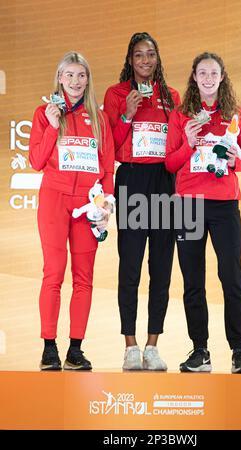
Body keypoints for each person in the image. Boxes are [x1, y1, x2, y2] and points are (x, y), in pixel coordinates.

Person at [165, 52, 241, 374]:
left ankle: (240, 352)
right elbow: (170, 164)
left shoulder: (236, 115)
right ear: (193, 76)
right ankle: (200, 350)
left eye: (213, 73)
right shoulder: (181, 116)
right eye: (201, 72)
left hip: (224, 204)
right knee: (193, 280)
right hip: (188, 204)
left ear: (221, 77)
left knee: (231, 276)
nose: (207, 78)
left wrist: (235, 161)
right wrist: (188, 142)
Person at [29, 51, 115, 371]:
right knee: (53, 272)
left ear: (87, 80)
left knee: (84, 278)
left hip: (86, 206)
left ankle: (75, 349)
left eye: (81, 76)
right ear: (59, 79)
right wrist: (52, 126)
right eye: (69, 75)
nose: (76, 82)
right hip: (54, 200)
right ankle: (49, 346)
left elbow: (107, 169)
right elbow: (36, 161)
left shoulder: (100, 118)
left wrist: (105, 205)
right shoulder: (44, 113)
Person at [104, 32, 180, 371]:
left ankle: (152, 345)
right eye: (138, 55)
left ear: (158, 58)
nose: (145, 61)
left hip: (165, 182)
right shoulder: (116, 93)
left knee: (161, 267)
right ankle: (130, 345)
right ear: (130, 60)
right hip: (132, 180)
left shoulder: (172, 96)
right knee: (130, 266)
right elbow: (111, 145)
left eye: (150, 54)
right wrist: (127, 114)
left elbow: (178, 145)